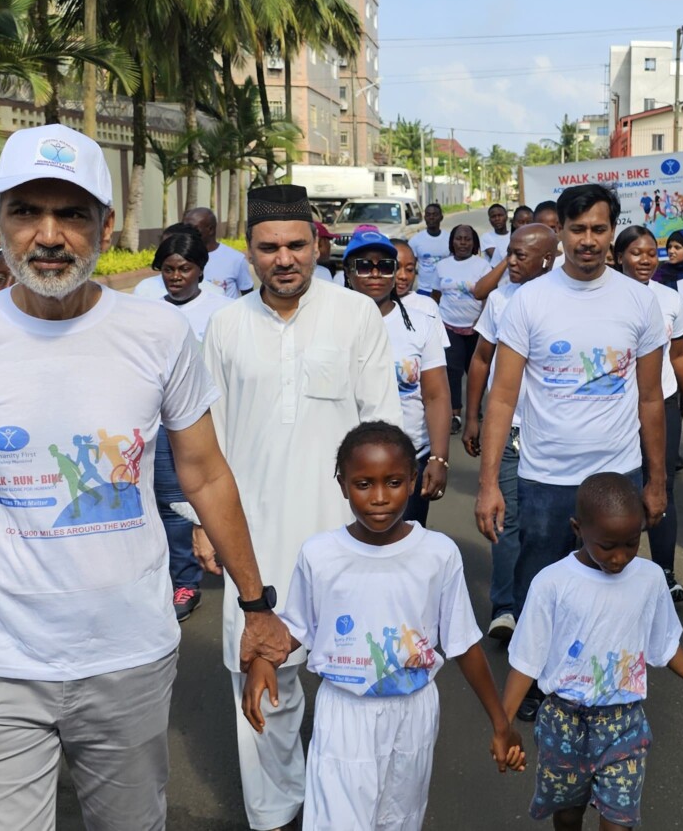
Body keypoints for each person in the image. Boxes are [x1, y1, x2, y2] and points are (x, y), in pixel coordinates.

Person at [0, 124, 290, 831]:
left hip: (128, 655)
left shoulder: (158, 336)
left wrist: (257, 606)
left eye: (71, 214)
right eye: (26, 211)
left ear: (104, 224)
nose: (48, 235)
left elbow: (205, 474)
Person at [201, 182, 401, 831]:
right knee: (265, 687)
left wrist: (385, 530)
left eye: (295, 244)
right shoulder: (226, 326)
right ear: (248, 252)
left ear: (318, 242)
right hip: (254, 542)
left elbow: (383, 426)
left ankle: (347, 812)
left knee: (354, 688)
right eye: (268, 248)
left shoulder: (355, 316)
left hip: (347, 539)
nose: (283, 258)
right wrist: (208, 528)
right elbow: (212, 440)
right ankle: (275, 815)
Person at [243, 421, 524, 830]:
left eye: (393, 482)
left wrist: (500, 722)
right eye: (363, 483)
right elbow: (296, 628)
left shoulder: (438, 554)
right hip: (344, 714)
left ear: (412, 481)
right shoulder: (320, 554)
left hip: (414, 715)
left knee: (399, 819)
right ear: (342, 484)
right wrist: (263, 662)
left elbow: (463, 645)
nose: (379, 498)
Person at [476, 184, 667, 723]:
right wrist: (490, 483)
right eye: (577, 229)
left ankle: (604, 685)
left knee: (611, 584)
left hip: (619, 473)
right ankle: (536, 683)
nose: (588, 241)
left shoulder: (639, 300)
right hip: (544, 478)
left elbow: (651, 398)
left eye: (599, 230)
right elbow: (503, 398)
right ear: (558, 231)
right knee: (541, 589)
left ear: (612, 233)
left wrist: (656, 481)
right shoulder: (529, 301)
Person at [501, 472, 683, 831]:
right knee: (567, 813)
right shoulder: (552, 583)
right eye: (607, 546)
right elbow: (526, 661)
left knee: (619, 821)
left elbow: (665, 647)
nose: (619, 558)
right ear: (577, 528)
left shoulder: (649, 579)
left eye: (631, 543)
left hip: (623, 724)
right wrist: (502, 724)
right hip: (563, 722)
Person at [462, 224, 560, 642]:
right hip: (510, 432)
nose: (512, 263)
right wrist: (472, 417)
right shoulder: (500, 300)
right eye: (510, 254)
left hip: (555, 437)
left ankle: (546, 606)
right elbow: (481, 360)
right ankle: (505, 608)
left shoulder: (567, 300)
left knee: (550, 527)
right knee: (507, 520)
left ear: (549, 260)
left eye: (521, 255)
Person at [138, 225, 234, 621]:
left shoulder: (222, 308)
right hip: (152, 422)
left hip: (200, 421)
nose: (176, 277)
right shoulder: (144, 302)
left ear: (202, 269)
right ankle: (166, 577)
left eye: (185, 269)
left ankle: (188, 581)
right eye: (169, 269)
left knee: (187, 503)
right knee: (157, 503)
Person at [612, 225, 683, 602]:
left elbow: (679, 355)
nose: (646, 260)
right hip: (615, 405)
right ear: (618, 257)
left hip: (661, 402)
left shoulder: (669, 299)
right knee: (614, 488)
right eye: (636, 253)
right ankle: (612, 567)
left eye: (652, 253)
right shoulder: (605, 297)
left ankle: (665, 572)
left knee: (661, 486)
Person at [344, 231, 452, 527]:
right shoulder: (327, 326)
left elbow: (436, 395)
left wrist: (439, 459)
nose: (375, 273)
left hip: (409, 459)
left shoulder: (422, 324)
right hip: (344, 464)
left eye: (386, 265)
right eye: (365, 265)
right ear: (348, 272)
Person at [433, 223, 493, 433]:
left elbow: (488, 296)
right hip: (449, 326)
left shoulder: (482, 266)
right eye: (459, 238)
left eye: (467, 239)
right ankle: (455, 414)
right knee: (452, 371)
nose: (463, 243)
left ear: (474, 242)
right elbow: (437, 294)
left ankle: (475, 412)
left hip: (476, 329)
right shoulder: (442, 266)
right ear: (452, 242)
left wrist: (481, 321)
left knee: (476, 373)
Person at [185, 206, 253, 297]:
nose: (187, 233)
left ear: (210, 229)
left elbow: (249, 296)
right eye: (185, 228)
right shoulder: (182, 257)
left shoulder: (236, 259)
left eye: (193, 228)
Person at [408, 203, 450, 293]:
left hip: (445, 290)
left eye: (435, 214)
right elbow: (409, 268)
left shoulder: (450, 239)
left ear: (441, 217)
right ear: (425, 217)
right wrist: (408, 291)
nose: (431, 217)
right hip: (424, 290)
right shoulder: (415, 240)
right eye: (428, 215)